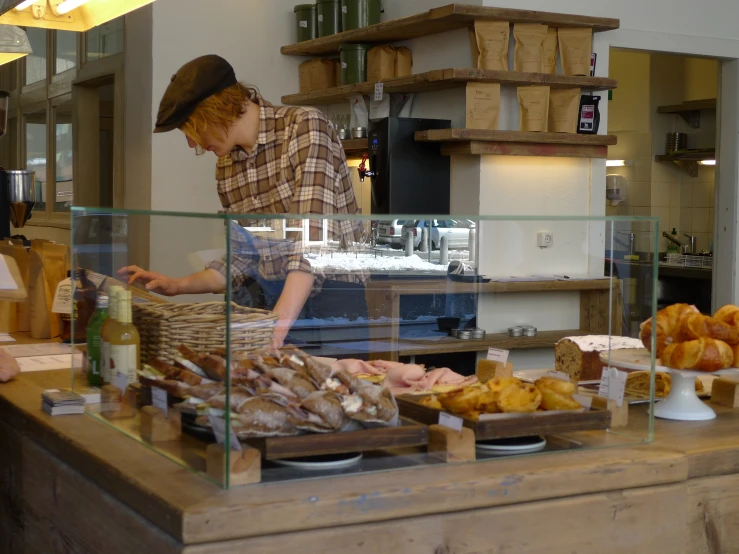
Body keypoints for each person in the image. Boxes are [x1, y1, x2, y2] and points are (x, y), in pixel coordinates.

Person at [120, 55, 366, 348]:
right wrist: (177, 285)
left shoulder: (304, 128)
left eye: (191, 128)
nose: (192, 143)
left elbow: (310, 248)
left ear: (217, 108)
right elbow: (242, 259)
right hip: (273, 302)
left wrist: (272, 333)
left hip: (334, 304)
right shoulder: (227, 165)